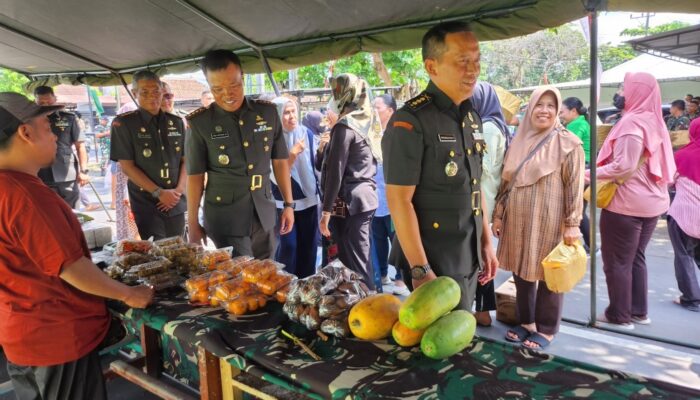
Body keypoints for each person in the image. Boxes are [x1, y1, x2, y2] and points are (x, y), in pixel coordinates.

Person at [0, 92, 154, 400]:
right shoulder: (24, 196)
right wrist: (130, 294)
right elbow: (70, 268)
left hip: (21, 332)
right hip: (56, 337)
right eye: (47, 126)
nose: (56, 134)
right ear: (25, 133)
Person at [382, 21, 498, 311]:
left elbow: (475, 184)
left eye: (476, 61)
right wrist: (420, 270)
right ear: (432, 67)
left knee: (461, 331)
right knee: (438, 342)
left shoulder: (472, 118)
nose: (473, 70)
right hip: (433, 258)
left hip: (469, 251)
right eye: (462, 62)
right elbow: (399, 200)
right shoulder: (410, 121)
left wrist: (486, 241)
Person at [493, 86, 584, 349]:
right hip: (517, 219)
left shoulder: (568, 143)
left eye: (550, 106)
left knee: (548, 274)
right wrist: (499, 215)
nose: (544, 110)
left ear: (557, 111)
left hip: (550, 219)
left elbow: (574, 186)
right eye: (539, 105)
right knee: (522, 272)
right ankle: (526, 322)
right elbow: (505, 183)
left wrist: (572, 223)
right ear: (530, 108)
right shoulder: (519, 140)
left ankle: (546, 328)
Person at [588, 72, 676, 329]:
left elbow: (623, 166)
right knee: (636, 257)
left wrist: (586, 175)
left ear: (637, 91)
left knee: (617, 261)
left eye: (624, 89)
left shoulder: (632, 123)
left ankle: (619, 315)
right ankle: (638, 311)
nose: (621, 94)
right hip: (653, 204)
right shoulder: (656, 121)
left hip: (626, 205)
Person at [186, 50, 294, 258]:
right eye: (217, 89)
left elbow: (280, 161)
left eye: (234, 85)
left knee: (269, 275)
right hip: (226, 218)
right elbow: (195, 176)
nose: (227, 94)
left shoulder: (267, 113)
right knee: (241, 280)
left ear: (243, 77)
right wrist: (192, 223)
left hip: (264, 212)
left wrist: (288, 204)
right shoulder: (200, 123)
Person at [110, 70, 188, 240]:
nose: (152, 96)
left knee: (181, 250)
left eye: (156, 91)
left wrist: (178, 192)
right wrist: (159, 193)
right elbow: (127, 167)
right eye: (144, 92)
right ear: (135, 93)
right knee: (158, 254)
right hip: (147, 202)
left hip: (175, 200)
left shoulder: (175, 122)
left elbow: (186, 161)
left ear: (162, 91)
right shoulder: (123, 123)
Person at [319, 73, 379, 289]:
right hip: (362, 200)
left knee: (356, 263)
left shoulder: (346, 127)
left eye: (335, 92)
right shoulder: (365, 122)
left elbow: (335, 171)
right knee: (357, 259)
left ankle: (369, 310)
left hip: (350, 204)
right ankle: (359, 306)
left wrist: (326, 212)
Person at [470, 81, 508, 326]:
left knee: (481, 256)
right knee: (480, 255)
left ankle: (482, 312)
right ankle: (481, 310)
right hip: (485, 197)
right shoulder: (495, 124)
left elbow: (479, 167)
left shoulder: (488, 127)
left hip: (480, 199)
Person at [271, 96, 320, 278]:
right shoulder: (272, 139)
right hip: (283, 203)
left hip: (309, 200)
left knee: (309, 247)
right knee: (288, 247)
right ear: (277, 116)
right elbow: (275, 175)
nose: (291, 116)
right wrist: (291, 155)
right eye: (286, 112)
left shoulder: (305, 133)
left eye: (293, 111)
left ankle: (306, 287)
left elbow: (315, 166)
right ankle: (285, 288)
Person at [371, 94, 410, 296]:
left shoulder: (399, 133)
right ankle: (383, 274)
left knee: (399, 238)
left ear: (390, 110)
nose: (373, 111)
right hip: (376, 198)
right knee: (378, 238)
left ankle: (401, 278)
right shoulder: (371, 133)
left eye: (377, 107)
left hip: (395, 198)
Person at [34, 86, 90, 209]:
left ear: (55, 98)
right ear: (35, 101)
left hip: (67, 173)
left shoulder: (68, 118)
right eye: (41, 102)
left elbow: (80, 146)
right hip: (40, 173)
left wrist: (84, 171)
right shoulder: (29, 120)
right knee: (48, 212)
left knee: (73, 213)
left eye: (48, 102)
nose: (45, 105)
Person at [668, 118, 700, 312]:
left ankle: (691, 298)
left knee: (684, 255)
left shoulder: (682, 155)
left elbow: (669, 182)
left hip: (684, 215)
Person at [559, 97, 592, 252]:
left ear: (573, 111)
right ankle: (591, 245)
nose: (560, 115)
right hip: (585, 167)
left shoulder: (577, 124)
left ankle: (591, 246)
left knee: (577, 210)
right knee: (580, 209)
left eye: (562, 111)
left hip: (581, 168)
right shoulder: (582, 122)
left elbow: (568, 144)